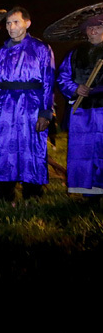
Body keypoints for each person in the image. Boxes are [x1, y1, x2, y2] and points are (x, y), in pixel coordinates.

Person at [0, 7, 55, 202]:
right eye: (8, 23)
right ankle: (6, 192)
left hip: (31, 104)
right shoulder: (1, 53)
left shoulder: (41, 49)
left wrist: (45, 112)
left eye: (16, 22)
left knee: (31, 147)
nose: (11, 27)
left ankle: (32, 193)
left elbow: (48, 82)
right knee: (5, 148)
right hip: (6, 105)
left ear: (27, 23)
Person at [56, 13, 103, 197]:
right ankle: (88, 194)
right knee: (82, 151)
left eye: (98, 27)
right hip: (81, 113)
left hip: (102, 110)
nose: (93, 31)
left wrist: (96, 90)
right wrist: (76, 89)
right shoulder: (75, 53)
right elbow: (62, 77)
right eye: (90, 28)